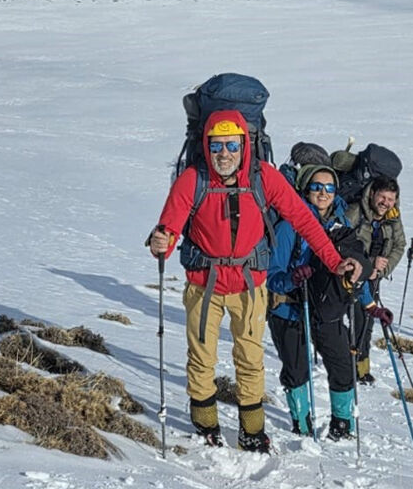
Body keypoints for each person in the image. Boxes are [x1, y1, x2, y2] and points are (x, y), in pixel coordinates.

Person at [148, 111, 364, 452]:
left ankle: (252, 430)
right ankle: (206, 425)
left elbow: (306, 222)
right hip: (204, 284)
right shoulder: (193, 178)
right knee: (202, 357)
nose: (224, 154)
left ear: (244, 145)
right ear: (205, 146)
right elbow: (169, 226)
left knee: (250, 359)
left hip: (250, 285)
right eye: (216, 145)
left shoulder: (264, 178)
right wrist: (161, 242)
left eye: (232, 145)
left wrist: (335, 262)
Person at [267, 165, 391, 441]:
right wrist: (292, 279)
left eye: (329, 188)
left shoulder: (342, 225)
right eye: (316, 187)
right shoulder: (289, 226)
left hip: (328, 308)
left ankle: (342, 424)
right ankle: (302, 425)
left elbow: (354, 272)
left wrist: (371, 306)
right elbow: (272, 276)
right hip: (290, 308)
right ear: (305, 189)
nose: (323, 193)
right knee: (297, 372)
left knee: (343, 367)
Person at [345, 175, 406, 383]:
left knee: (367, 323)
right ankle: (347, 366)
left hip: (373, 279)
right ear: (372, 194)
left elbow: (399, 245)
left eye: (391, 199)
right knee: (355, 320)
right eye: (383, 197)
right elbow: (340, 241)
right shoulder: (355, 212)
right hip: (349, 277)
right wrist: (369, 264)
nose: (386, 203)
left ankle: (361, 369)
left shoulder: (393, 218)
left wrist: (382, 269)